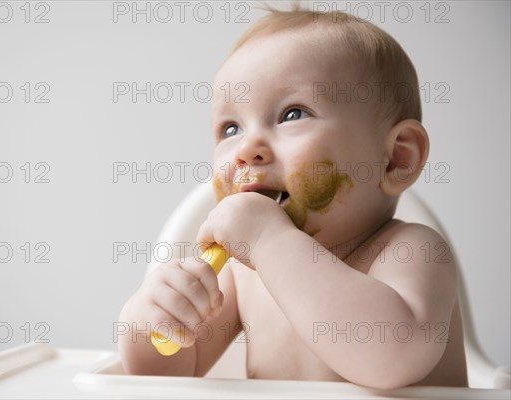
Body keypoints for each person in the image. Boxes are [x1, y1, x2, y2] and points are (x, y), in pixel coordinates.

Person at [117, 5, 468, 389]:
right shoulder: (242, 275)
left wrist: (271, 241)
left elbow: (391, 361)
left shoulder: (414, 251)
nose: (247, 148)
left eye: (292, 114)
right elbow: (167, 377)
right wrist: (149, 318)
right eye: (231, 127)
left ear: (396, 159)